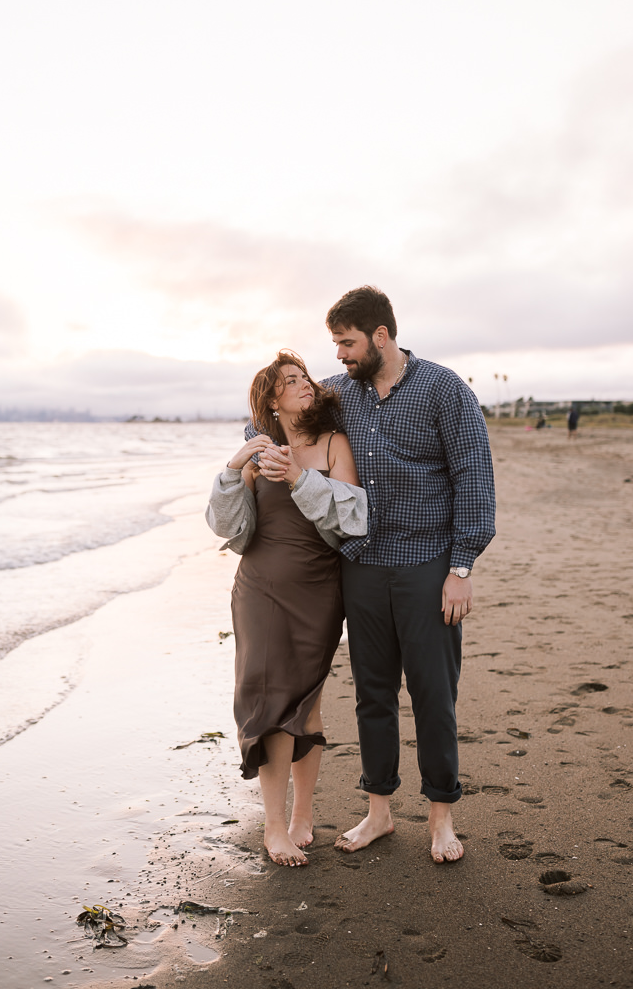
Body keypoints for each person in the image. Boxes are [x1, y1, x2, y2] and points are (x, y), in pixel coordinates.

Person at [252, 287, 496, 864]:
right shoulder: (344, 397)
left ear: (379, 336)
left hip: (428, 564)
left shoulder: (443, 390)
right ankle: (379, 812)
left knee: (434, 696)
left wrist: (461, 567)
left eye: (346, 343)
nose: (337, 354)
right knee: (372, 696)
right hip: (360, 566)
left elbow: (475, 480)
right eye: (336, 343)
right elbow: (277, 419)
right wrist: (251, 447)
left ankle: (441, 818)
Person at [207, 351, 367, 867]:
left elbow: (352, 516)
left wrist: (300, 475)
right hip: (258, 591)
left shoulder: (332, 444)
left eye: (305, 378)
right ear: (272, 400)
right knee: (268, 706)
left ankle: (303, 814)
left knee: (307, 704)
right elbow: (228, 528)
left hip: (319, 590)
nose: (305, 386)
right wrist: (234, 468)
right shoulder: (257, 454)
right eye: (291, 381)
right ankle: (273, 827)